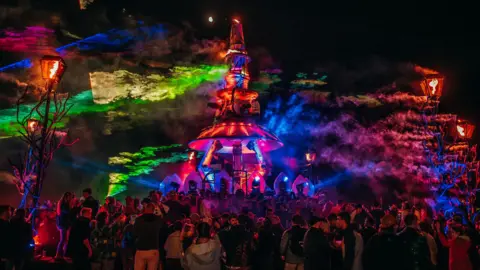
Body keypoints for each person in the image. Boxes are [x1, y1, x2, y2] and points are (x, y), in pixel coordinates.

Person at [133, 202, 163, 270]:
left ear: (145, 208)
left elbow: (134, 233)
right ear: (153, 209)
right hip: (153, 249)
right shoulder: (158, 220)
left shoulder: (139, 220)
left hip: (141, 249)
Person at [55, 191, 74, 260]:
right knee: (63, 239)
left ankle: (63, 255)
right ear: (66, 197)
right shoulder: (63, 203)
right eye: (70, 197)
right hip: (63, 223)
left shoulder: (64, 203)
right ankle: (58, 255)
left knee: (65, 240)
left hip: (64, 223)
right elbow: (66, 212)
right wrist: (72, 206)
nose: (70, 198)